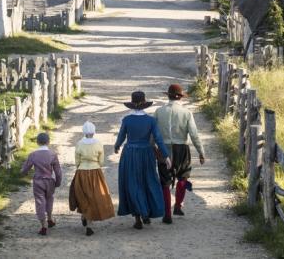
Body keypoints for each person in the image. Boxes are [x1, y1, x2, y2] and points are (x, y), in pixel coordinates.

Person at [114, 91, 171, 230]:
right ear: (144, 104)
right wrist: (166, 156)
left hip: (130, 154)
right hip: (146, 153)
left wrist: (117, 146)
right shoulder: (151, 120)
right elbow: (158, 139)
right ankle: (146, 212)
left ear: (132, 105)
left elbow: (121, 137)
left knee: (133, 183)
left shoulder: (127, 120)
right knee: (148, 181)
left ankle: (138, 217)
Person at [154, 83, 206, 223]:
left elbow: (154, 133)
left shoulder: (159, 111)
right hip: (181, 148)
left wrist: (153, 148)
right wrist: (201, 152)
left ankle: (167, 214)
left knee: (165, 181)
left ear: (168, 96)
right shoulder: (186, 113)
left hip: (164, 148)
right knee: (183, 177)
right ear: (180, 97)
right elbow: (194, 134)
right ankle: (177, 205)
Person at [69, 121, 115, 236]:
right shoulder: (98, 144)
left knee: (83, 196)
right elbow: (101, 161)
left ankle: (85, 216)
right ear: (94, 132)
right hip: (95, 172)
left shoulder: (79, 143)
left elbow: (77, 160)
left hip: (82, 172)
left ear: (84, 132)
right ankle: (88, 223)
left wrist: (80, 167)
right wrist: (97, 165)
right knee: (94, 196)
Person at [20, 132, 63, 235]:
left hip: (38, 181)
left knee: (40, 202)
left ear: (37, 142)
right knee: (49, 199)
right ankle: (50, 219)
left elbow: (25, 169)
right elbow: (58, 172)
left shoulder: (33, 155)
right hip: (49, 181)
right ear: (48, 142)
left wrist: (23, 173)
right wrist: (58, 182)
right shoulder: (53, 155)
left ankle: (43, 226)